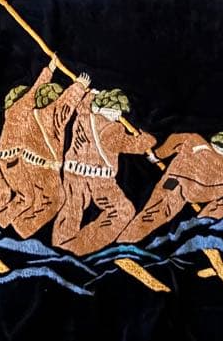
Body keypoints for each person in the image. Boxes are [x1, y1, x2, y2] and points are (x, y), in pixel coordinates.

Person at [52, 88, 156, 255]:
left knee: (71, 209)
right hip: (100, 179)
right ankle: (82, 247)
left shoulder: (84, 116)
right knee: (122, 211)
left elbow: (83, 105)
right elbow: (132, 145)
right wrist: (147, 139)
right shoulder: (111, 129)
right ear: (115, 110)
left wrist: (91, 94)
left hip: (73, 173)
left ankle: (59, 245)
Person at [117, 130, 223, 243]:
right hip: (197, 192)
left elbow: (174, 141)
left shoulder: (195, 140)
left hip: (176, 183)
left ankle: (127, 240)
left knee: (153, 214)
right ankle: (206, 219)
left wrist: (157, 155)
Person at [0, 56, 58, 229]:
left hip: (2, 159)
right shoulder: (21, 109)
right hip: (12, 160)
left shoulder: (10, 113)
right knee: (26, 197)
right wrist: (49, 70)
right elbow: (35, 90)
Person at [10, 71, 91, 237]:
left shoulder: (30, 112)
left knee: (33, 199)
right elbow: (66, 104)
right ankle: (22, 229)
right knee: (55, 200)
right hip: (45, 168)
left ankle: (8, 224)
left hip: (25, 163)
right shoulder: (53, 114)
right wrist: (80, 86)